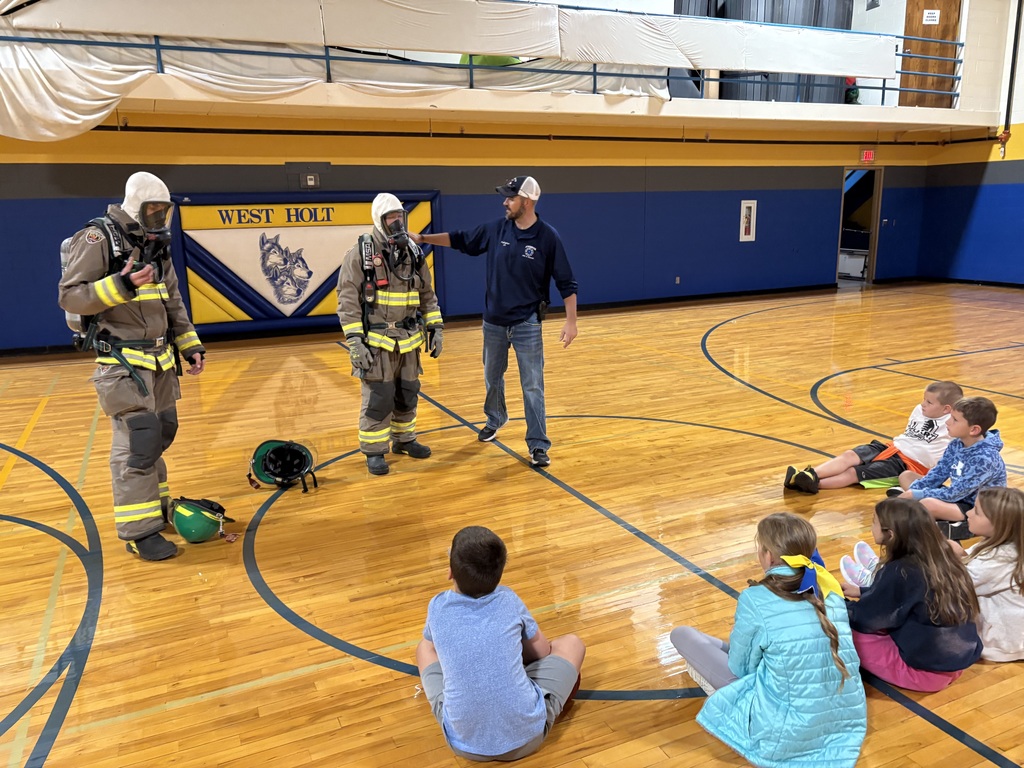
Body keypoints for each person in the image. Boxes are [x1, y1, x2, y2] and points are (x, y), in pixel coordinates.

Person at [58, 172, 206, 561]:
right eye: (152, 209)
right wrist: (119, 286)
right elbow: (70, 297)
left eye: (164, 210)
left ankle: (156, 507)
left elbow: (172, 301)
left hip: (159, 361)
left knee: (161, 433)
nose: (159, 216)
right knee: (137, 442)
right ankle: (140, 531)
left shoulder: (156, 245)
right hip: (121, 363)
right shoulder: (95, 238)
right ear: (134, 205)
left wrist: (190, 345)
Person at [670, 512, 866, 768]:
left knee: (682, 634)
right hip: (846, 717)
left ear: (769, 555)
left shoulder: (755, 599)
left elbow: (741, 669)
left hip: (788, 730)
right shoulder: (829, 587)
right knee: (760, 650)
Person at [411, 176, 577, 468]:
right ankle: (495, 418)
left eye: (510, 198)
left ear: (526, 202)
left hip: (527, 324)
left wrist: (571, 322)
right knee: (492, 378)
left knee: (533, 386)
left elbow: (566, 281)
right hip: (494, 324)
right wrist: (424, 239)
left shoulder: (548, 237)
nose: (504, 202)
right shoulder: (496, 229)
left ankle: (538, 444)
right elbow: (461, 238)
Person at [416, 525, 585, 762]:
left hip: (462, 744)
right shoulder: (508, 599)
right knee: (572, 643)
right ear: (499, 574)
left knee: (424, 647)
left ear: (450, 572)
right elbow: (543, 650)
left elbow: (433, 646)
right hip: (529, 737)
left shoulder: (437, 606)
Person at [337, 193, 443, 476]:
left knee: (408, 393)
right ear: (379, 220)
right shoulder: (361, 254)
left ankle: (404, 440)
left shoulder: (414, 252)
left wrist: (436, 326)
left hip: (409, 341)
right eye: (391, 218)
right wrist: (355, 342)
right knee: (379, 397)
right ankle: (374, 451)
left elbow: (426, 294)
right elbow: (347, 300)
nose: (397, 222)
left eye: (400, 217)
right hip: (377, 343)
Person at [843, 498, 982, 692]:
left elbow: (867, 619)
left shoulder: (901, 570)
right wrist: (862, 592)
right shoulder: (944, 558)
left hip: (923, 671)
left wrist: (838, 604)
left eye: (874, 522)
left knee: (841, 630)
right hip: (956, 662)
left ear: (890, 534)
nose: (871, 526)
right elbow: (911, 597)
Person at [785, 380, 962, 494]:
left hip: (908, 464)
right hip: (891, 447)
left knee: (853, 474)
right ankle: (810, 474)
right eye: (924, 399)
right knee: (849, 456)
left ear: (947, 409)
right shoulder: (919, 409)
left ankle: (813, 484)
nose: (923, 404)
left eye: (929, 402)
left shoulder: (954, 421)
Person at [888, 396, 1006, 538]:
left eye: (955, 420)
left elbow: (956, 493)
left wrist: (916, 495)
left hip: (977, 508)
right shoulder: (957, 443)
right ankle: (933, 515)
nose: (948, 422)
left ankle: (966, 527)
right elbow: (939, 473)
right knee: (907, 476)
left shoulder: (985, 458)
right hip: (958, 497)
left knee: (927, 504)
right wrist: (915, 490)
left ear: (974, 430)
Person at [949, 487, 1024, 662]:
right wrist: (958, 553)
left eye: (976, 511)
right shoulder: (999, 545)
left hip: (1002, 645)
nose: (968, 513)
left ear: (998, 524)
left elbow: (955, 583)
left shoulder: (1001, 557)